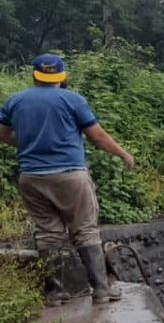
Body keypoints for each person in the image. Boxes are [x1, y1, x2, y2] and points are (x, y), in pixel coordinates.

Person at [0, 54, 135, 305]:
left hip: (31, 177)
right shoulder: (72, 99)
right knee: (84, 229)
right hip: (70, 176)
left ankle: (54, 292)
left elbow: (2, 134)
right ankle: (101, 290)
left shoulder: (15, 101)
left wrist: (27, 143)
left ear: (34, 75)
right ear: (62, 77)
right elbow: (98, 137)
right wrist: (124, 154)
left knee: (48, 234)